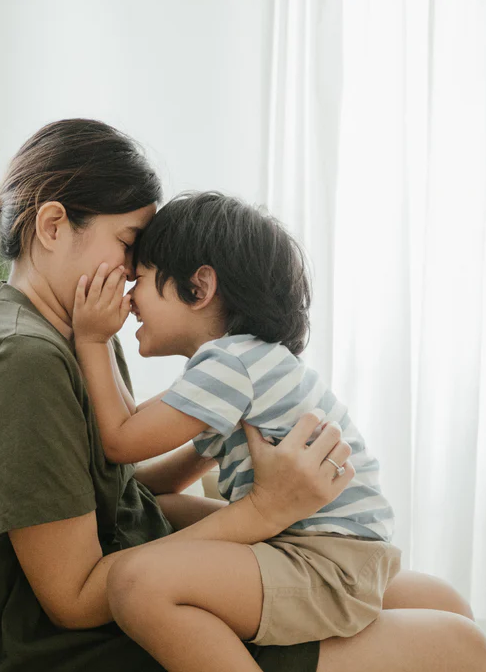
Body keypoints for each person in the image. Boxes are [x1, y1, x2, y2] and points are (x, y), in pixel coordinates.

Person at [0, 118, 486, 672]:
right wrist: (264, 510)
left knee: (442, 600)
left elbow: (115, 487)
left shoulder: (79, 331)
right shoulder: (23, 361)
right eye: (129, 242)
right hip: (96, 642)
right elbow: (73, 597)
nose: (133, 273)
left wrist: (217, 436)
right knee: (463, 648)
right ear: (52, 226)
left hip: (149, 573)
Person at [71, 191, 404, 671]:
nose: (129, 298)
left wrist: (91, 338)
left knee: (136, 584)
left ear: (199, 287)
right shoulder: (244, 363)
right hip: (338, 549)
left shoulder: (229, 365)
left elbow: (121, 440)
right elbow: (140, 447)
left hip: (326, 560)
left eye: (139, 279)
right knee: (162, 510)